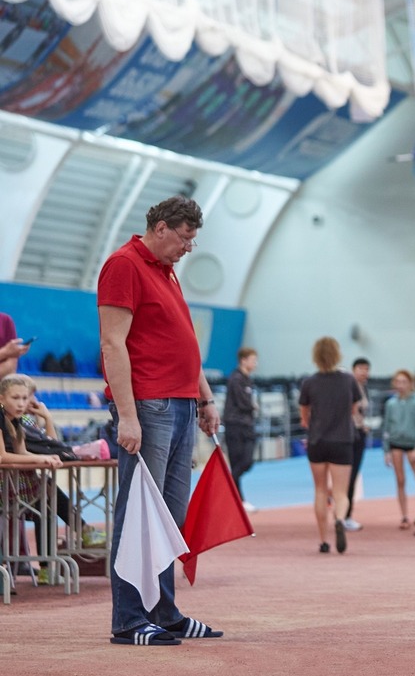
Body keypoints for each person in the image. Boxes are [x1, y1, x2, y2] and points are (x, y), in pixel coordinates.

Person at [98, 196, 222, 645]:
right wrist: (127, 416)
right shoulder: (124, 265)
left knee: (168, 519)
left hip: (182, 404)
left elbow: (182, 341)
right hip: (149, 407)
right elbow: (113, 344)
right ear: (163, 228)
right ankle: (128, 619)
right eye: (186, 238)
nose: (189, 248)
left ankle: (165, 612)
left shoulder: (165, 270)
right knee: (138, 514)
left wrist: (205, 398)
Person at [298, 336, 362, 554]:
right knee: (341, 492)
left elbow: (304, 415)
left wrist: (311, 422)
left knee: (320, 490)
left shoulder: (309, 382)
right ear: (338, 354)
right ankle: (341, 518)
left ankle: (323, 540)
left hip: (317, 442)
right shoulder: (348, 380)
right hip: (342, 440)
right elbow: (354, 408)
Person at [0, 374, 70, 559]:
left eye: (25, 398)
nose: (22, 403)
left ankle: (47, 565)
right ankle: (82, 529)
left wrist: (45, 458)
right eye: (16, 398)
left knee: (46, 504)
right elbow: (2, 457)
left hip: (13, 483)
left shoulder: (16, 419)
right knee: (46, 493)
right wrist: (42, 459)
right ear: (1, 398)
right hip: (5, 485)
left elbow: (23, 452)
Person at [381, 369, 415, 530]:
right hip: (396, 443)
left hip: (412, 444)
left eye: (404, 382)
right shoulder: (391, 404)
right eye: (398, 382)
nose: (401, 385)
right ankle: (404, 516)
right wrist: (386, 450)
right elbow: (387, 427)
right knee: (400, 480)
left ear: (410, 384)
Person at [223, 347, 258, 512]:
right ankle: (239, 500)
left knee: (247, 461)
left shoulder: (247, 380)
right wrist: (253, 406)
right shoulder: (236, 379)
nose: (255, 363)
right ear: (243, 360)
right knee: (238, 462)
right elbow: (243, 402)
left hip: (247, 425)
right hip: (235, 425)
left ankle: (230, 489)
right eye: (252, 359)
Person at [345, 357, 371, 531]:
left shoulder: (364, 389)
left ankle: (346, 514)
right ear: (353, 370)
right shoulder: (347, 387)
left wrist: (363, 424)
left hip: (360, 434)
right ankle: (344, 515)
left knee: (353, 476)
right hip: (348, 435)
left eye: (366, 369)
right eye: (360, 368)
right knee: (348, 476)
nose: (364, 372)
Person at [0, 312, 31, 377]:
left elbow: (11, 365)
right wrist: (5, 352)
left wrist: (7, 352)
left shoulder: (6, 320)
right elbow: (10, 352)